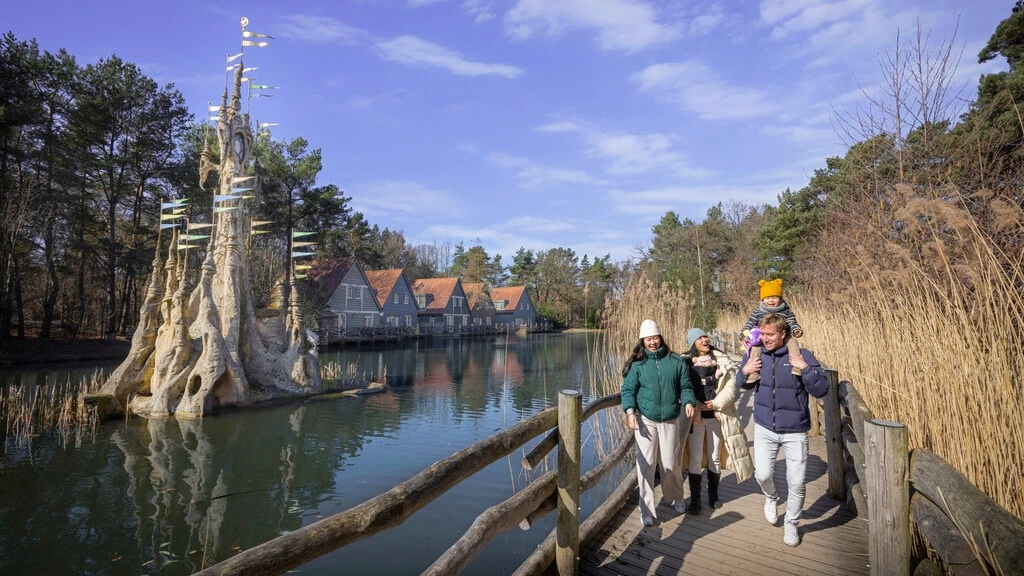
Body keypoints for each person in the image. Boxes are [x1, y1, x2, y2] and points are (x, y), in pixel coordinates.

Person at [738, 313, 829, 547]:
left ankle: (791, 522)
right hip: (765, 426)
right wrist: (745, 370)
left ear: (782, 334)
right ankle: (771, 497)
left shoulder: (801, 355)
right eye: (763, 334)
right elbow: (741, 383)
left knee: (797, 482)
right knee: (763, 474)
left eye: (770, 334)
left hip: (795, 430)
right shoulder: (755, 353)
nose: (765, 339)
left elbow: (822, 389)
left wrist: (805, 368)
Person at [621, 319, 698, 526]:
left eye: (655, 337)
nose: (652, 342)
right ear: (642, 341)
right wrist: (630, 412)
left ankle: (676, 496)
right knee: (645, 465)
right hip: (645, 421)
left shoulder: (675, 361)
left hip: (670, 420)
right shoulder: (638, 366)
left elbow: (685, 386)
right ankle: (646, 509)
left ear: (660, 338)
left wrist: (689, 401)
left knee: (671, 462)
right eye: (648, 339)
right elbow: (627, 391)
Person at [682, 328, 753, 514]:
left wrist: (714, 403)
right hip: (695, 418)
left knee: (714, 456)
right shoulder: (685, 362)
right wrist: (693, 403)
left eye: (705, 336)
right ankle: (695, 500)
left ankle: (713, 496)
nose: (704, 340)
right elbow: (680, 386)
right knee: (695, 457)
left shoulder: (722, 360)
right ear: (693, 343)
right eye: (699, 338)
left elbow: (731, 388)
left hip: (716, 415)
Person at [743, 278, 804, 381]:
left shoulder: (786, 311)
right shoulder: (758, 312)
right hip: (761, 337)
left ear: (780, 298)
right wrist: (744, 335)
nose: (771, 300)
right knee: (755, 348)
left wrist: (796, 330)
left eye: (774, 297)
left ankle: (796, 365)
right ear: (763, 299)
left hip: (785, 335)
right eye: (767, 298)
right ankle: (753, 372)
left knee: (793, 343)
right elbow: (749, 324)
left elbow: (792, 322)